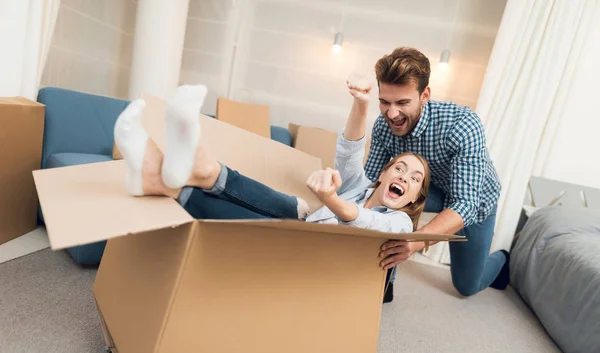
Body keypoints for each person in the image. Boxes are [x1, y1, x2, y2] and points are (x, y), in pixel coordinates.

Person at [114, 84, 431, 303]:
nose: (405, 177)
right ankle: (186, 173)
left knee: (265, 225)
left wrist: (330, 199)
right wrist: (361, 104)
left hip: (312, 267)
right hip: (305, 229)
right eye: (400, 168)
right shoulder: (359, 187)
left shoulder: (401, 224)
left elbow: (365, 225)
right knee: (291, 207)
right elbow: (350, 150)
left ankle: (175, 175)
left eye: (415, 179)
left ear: (414, 198)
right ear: (384, 174)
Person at [354, 47, 507, 298]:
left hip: (474, 200)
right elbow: (370, 185)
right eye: (385, 102)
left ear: (425, 94)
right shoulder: (383, 126)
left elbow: (465, 203)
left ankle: (502, 260)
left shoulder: (462, 124)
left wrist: (413, 243)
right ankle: (385, 280)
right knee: (392, 190)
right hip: (429, 189)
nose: (392, 114)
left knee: (467, 286)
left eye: (403, 103)